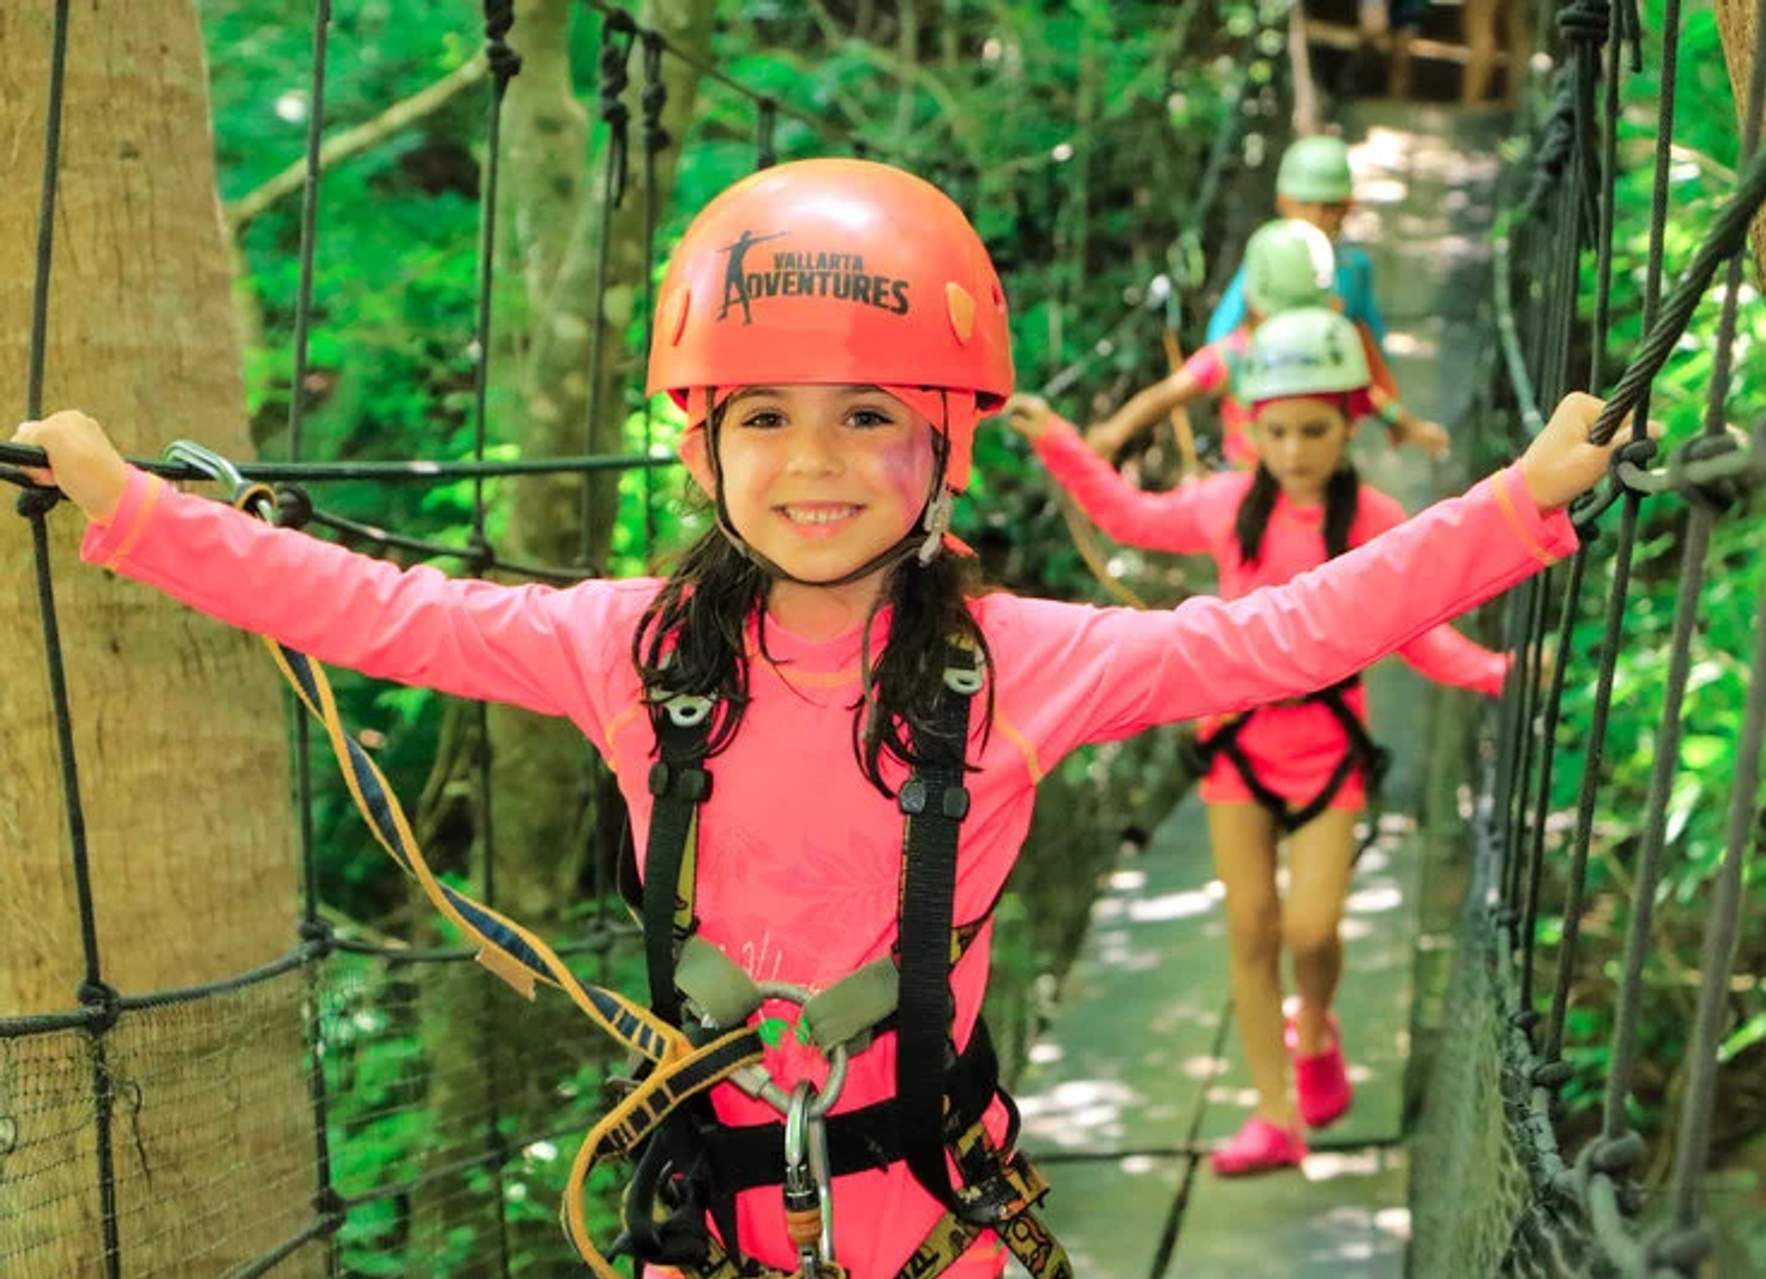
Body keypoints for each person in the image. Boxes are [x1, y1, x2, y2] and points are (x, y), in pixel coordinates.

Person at [15, 157, 1620, 1275]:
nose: (817, 462)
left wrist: (1509, 508)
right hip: (704, 1218)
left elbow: (1276, 630)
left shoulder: (1016, 662)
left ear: (945, 447)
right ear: (701, 445)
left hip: (939, 1222)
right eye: (764, 416)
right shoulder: (625, 649)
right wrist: (140, 515)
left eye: (871, 415)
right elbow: (375, 610)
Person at [1007, 306, 1509, 1175]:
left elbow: (1419, 626)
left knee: (1312, 930)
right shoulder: (1226, 503)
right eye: (1274, 430)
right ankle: (1275, 1113)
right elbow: (1127, 516)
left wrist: (1500, 672)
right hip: (1238, 752)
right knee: (1252, 928)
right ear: (1249, 427)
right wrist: (1059, 440)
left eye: (1313, 429)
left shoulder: (1375, 516)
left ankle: (1314, 1022)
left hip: (1331, 751)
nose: (1293, 449)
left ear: (1350, 422)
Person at [1087, 219, 1435, 466]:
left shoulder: (1247, 354)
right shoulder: (1236, 357)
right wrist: (1114, 432)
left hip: (1316, 493)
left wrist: (1405, 425)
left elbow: (1363, 396)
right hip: (1253, 491)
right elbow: (1164, 396)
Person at [1206, 135, 1449, 458]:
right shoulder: (1269, 260)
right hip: (1263, 425)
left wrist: (1395, 415)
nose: (1317, 216)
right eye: (1305, 204)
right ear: (1283, 202)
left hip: (1324, 409)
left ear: (1348, 207)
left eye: (1330, 206)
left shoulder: (1351, 269)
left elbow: (1369, 345)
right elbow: (1220, 341)